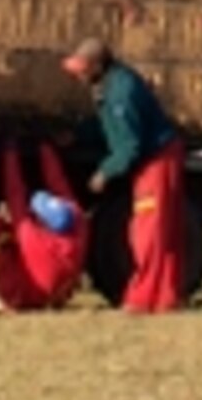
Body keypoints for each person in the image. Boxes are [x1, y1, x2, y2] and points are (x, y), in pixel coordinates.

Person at [63, 36, 190, 311]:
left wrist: (104, 173)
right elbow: (106, 125)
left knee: (148, 230)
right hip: (156, 157)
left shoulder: (122, 93)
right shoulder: (108, 85)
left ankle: (143, 298)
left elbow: (129, 146)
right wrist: (76, 136)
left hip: (157, 161)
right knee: (162, 230)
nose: (78, 76)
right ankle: (167, 296)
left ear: (98, 66)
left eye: (82, 69)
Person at [0, 141, 91, 312]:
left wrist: (10, 152)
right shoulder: (77, 221)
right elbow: (59, 183)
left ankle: (2, 295)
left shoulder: (33, 240)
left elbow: (15, 193)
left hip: (26, 294)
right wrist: (46, 150)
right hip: (56, 289)